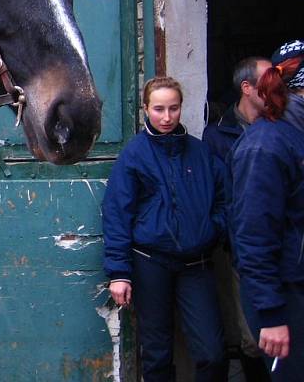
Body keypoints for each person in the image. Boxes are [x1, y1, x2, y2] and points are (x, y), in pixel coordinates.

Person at [103, 76, 226, 381]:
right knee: (157, 354)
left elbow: (225, 199)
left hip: (196, 264)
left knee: (212, 352)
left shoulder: (200, 153)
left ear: (181, 107)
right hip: (150, 263)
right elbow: (118, 213)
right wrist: (119, 272)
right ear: (145, 108)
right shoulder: (134, 154)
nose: (167, 117)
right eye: (159, 109)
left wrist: (212, 230)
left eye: (173, 108)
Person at [229, 40, 304, 380]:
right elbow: (253, 237)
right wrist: (272, 316)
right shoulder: (265, 146)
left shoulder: (295, 135)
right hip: (286, 297)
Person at [203, 56, 272, 381]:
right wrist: (226, 231)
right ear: (247, 88)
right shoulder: (218, 136)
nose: (278, 88)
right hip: (240, 248)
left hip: (281, 244)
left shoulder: (283, 127)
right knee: (251, 336)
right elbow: (217, 193)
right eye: (269, 81)